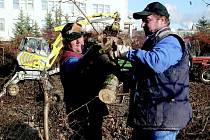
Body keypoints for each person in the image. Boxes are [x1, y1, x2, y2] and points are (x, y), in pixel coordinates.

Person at [116, 2, 193, 140]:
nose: (142, 24)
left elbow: (157, 62)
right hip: (148, 118)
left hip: (164, 121)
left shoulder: (171, 42)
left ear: (162, 20)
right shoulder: (152, 43)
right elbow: (142, 73)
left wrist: (129, 53)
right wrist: (119, 68)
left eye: (147, 20)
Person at [59, 22, 117, 140]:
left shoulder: (80, 54)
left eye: (79, 37)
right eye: (73, 39)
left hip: (92, 110)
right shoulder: (68, 58)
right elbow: (76, 66)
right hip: (79, 112)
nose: (79, 41)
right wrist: (92, 53)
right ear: (65, 42)